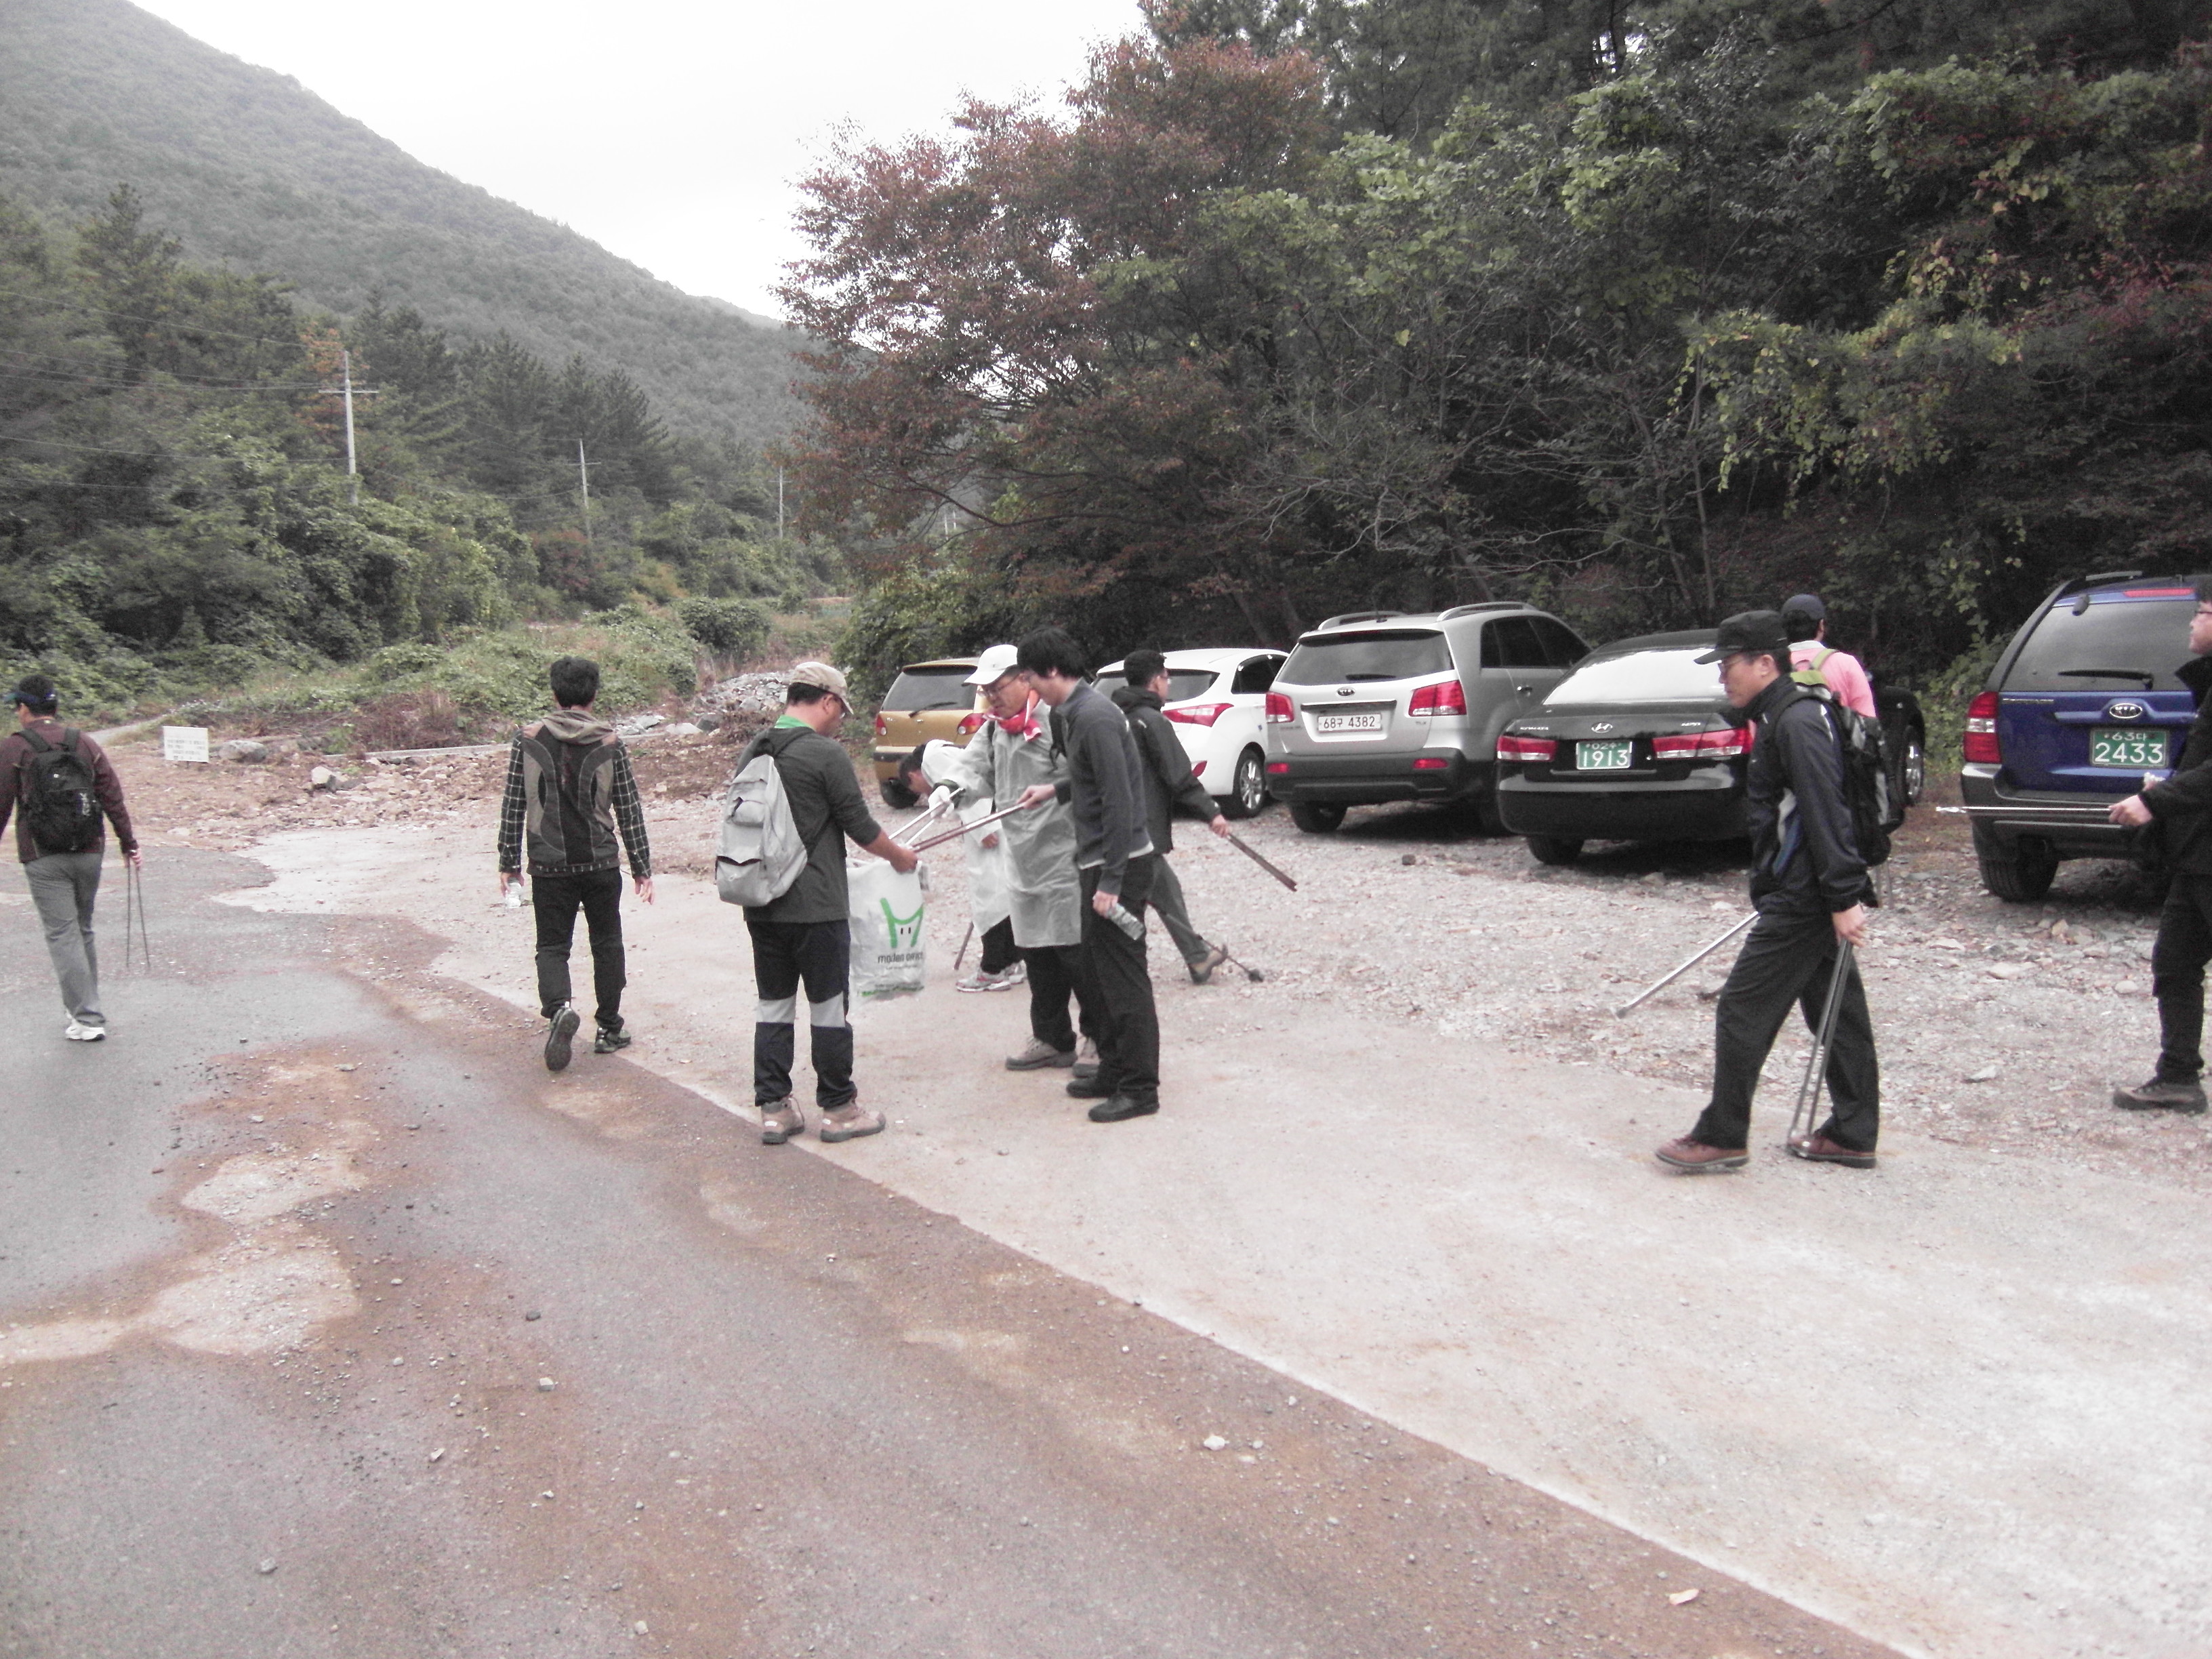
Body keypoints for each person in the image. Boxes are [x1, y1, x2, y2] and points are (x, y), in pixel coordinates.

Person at [1656, 611, 1881, 1172]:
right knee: (1838, 1012)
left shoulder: (1796, 721)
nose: (1722, 678)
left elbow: (1824, 808)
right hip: (1806, 890)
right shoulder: (1780, 714)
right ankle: (1854, 1133)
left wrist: (1842, 897)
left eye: (1729, 665)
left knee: (1741, 1007)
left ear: (1764, 663)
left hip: (1804, 896)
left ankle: (1724, 1133)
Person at [737, 661, 918, 1146]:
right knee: (828, 1009)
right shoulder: (825, 755)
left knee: (773, 1005)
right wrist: (900, 857)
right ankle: (839, 1109)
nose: (841, 720)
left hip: (761, 903)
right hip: (816, 907)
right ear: (829, 701)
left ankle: (774, 1110)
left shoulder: (755, 750)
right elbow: (862, 829)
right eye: (841, 710)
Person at [1013, 627, 1161, 1124]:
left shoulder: (1094, 716)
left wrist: (1113, 884)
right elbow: (1090, 774)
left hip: (1118, 864)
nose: (1030, 687)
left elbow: (1121, 800)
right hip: (1093, 861)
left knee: (1124, 980)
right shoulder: (1072, 713)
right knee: (1097, 975)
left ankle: (1141, 1089)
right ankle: (1114, 1069)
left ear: (1052, 672)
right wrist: (1053, 790)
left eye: (1031, 677)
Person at [929, 644, 1094, 1072]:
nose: (990, 696)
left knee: (1078, 955)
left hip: (1066, 855)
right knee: (1038, 955)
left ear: (1026, 678)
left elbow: (1089, 774)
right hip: (1021, 858)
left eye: (995, 686)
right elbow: (975, 769)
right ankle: (1051, 1037)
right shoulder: (995, 728)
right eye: (983, 689)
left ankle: (1097, 1037)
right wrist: (950, 788)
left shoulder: (1060, 719)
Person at [496, 656, 654, 1072]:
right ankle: (608, 1028)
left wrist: (508, 861)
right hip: (600, 862)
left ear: (554, 693)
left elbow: (514, 803)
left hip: (548, 864)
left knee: (552, 946)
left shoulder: (527, 739)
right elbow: (629, 808)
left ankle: (560, 1009)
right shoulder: (610, 742)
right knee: (607, 943)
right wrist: (641, 866)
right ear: (594, 693)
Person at [2108, 577, 2212, 1113]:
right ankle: (2177, 1077)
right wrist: (2163, 789)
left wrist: (2159, 801)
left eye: (2201, 612)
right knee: (2174, 962)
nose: (2192, 623)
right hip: (2197, 856)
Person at [0, 674, 140, 1041]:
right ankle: (83, 1004)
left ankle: (87, 1018)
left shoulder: (15, 748)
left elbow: (1, 805)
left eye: (17, 707)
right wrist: (129, 844)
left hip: (43, 855)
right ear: (56, 707)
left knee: (63, 934)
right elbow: (112, 795)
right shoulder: (84, 743)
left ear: (25, 709)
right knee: (82, 929)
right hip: (89, 849)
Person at [1109, 649, 1233, 983]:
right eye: (1166, 677)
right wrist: (1212, 812)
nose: (1169, 683)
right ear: (1154, 681)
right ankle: (1116, 965)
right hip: (1142, 826)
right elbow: (1178, 774)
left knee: (1162, 891)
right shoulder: (1152, 721)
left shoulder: (1116, 717)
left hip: (1117, 822)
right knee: (1135, 898)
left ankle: (1196, 958)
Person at [1781, 593, 1877, 720]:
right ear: (1821, 625)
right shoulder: (1846, 663)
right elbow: (1868, 722)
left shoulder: (1771, 667)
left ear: (1784, 629)